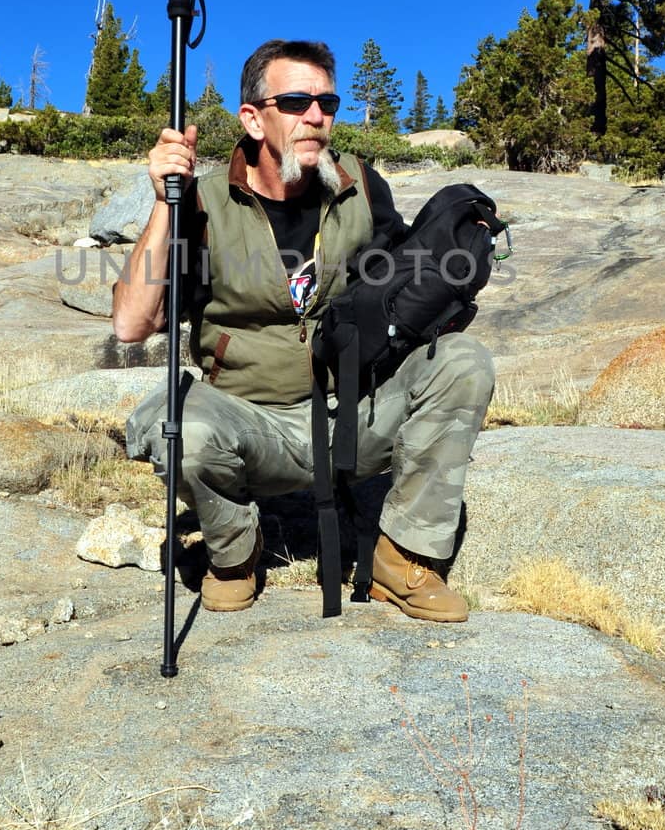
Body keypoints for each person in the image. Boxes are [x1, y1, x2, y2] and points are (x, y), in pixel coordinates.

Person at [114, 38, 495, 621]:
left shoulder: (360, 189)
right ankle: (235, 553)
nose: (316, 117)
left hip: (350, 415)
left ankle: (403, 556)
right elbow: (133, 323)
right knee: (177, 425)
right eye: (295, 102)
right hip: (248, 423)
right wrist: (168, 203)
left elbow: (396, 290)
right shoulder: (205, 203)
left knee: (463, 361)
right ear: (253, 118)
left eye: (327, 103)